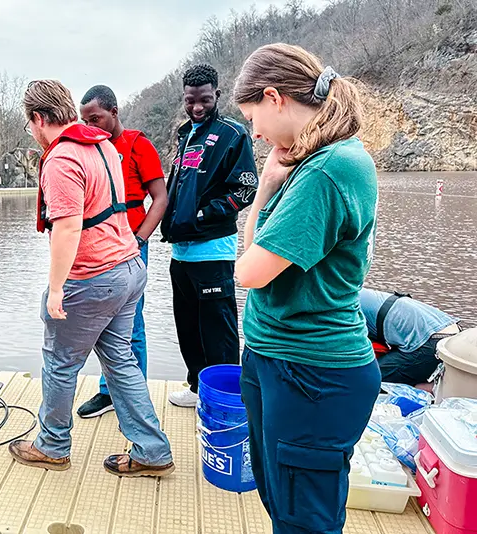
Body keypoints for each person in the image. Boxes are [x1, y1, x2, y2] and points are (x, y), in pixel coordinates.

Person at [234, 43, 382, 534]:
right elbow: (257, 257)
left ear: (274, 98)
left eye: (252, 115)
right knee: (282, 501)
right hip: (278, 359)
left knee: (304, 521)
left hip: (311, 371)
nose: (253, 131)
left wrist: (268, 187)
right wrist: (267, 185)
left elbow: (248, 271)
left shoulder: (327, 170)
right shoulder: (310, 164)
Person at [8, 79, 174, 477]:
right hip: (130, 268)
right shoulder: (102, 145)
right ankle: (152, 451)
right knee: (120, 360)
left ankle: (52, 445)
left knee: (60, 362)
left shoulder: (63, 158)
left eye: (29, 124)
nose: (31, 131)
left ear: (37, 118)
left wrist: (55, 289)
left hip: (96, 277)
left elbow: (66, 229)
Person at [159, 63, 259, 407]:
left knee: (218, 328)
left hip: (213, 250)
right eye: (190, 101)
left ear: (216, 94)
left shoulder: (234, 134)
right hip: (180, 250)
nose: (197, 107)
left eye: (204, 100)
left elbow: (246, 189)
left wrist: (204, 213)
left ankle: (228, 396)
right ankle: (197, 387)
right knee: (187, 325)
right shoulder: (185, 133)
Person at [75, 84, 168, 418]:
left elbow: (160, 198)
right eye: (85, 120)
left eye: (96, 118)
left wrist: (140, 239)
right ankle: (108, 391)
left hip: (131, 249)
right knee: (102, 324)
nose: (90, 126)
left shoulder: (138, 145)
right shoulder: (86, 149)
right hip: (98, 252)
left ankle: (131, 395)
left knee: (132, 325)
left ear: (114, 113)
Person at [359, 288, 461, 388]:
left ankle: (427, 389)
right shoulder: (354, 294)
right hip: (454, 334)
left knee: (364, 380)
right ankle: (429, 386)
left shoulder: (345, 307)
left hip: (430, 342)